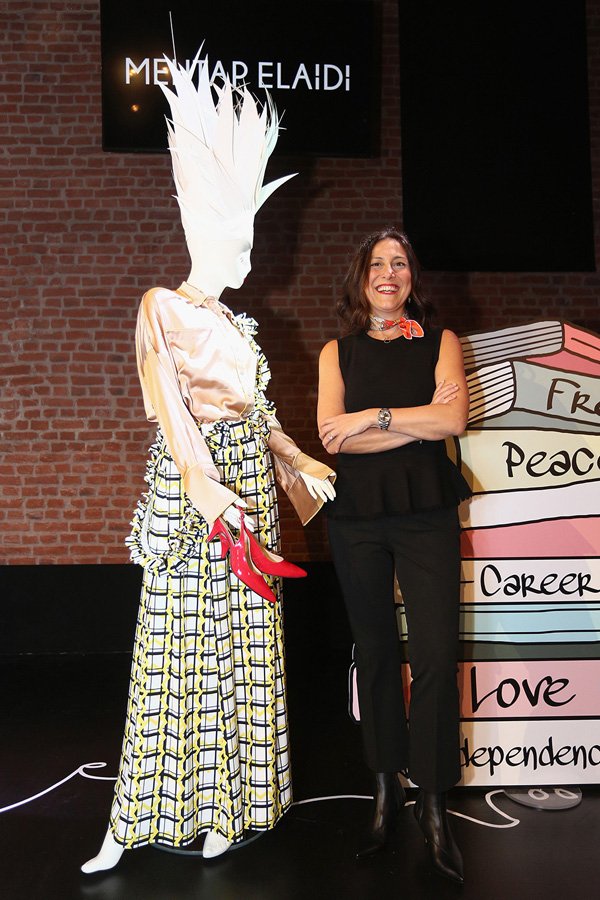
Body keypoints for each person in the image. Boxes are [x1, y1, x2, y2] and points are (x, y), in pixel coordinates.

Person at [82, 52, 335, 874]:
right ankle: (134, 820)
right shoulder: (163, 306)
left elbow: (256, 415)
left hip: (250, 485)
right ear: (208, 235)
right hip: (198, 493)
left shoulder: (241, 327)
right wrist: (205, 490)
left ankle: (232, 808)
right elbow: (172, 405)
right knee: (171, 646)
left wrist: (301, 464)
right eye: (241, 240)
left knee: (245, 647)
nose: (249, 255)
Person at [317, 227, 470, 883]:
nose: (389, 273)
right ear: (360, 278)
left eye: (400, 262)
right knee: (377, 653)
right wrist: (408, 419)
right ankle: (385, 798)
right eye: (377, 264)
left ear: (413, 278)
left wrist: (371, 418)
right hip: (356, 519)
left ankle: (433, 807)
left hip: (427, 513)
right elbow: (332, 438)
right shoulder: (337, 352)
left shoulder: (442, 344)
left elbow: (453, 423)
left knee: (436, 655)